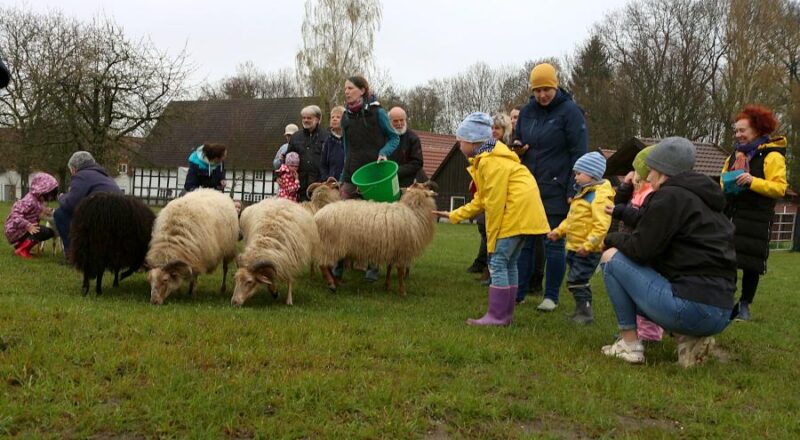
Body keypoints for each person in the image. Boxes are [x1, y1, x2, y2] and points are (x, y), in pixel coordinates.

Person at [601, 137, 737, 367]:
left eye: (651, 170)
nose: (648, 176)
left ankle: (629, 344)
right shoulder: (706, 204)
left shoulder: (669, 197)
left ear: (663, 170)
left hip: (690, 308)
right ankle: (688, 340)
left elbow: (640, 249)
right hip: (721, 312)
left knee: (612, 258)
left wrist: (610, 239)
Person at [434, 112, 550, 326]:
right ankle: (506, 315)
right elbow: (482, 200)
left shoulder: (489, 162)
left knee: (497, 261)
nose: (458, 146)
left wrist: (492, 239)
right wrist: (454, 215)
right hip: (527, 216)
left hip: (514, 215)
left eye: (460, 141)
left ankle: (497, 316)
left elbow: (495, 203)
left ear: (471, 141)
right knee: (510, 263)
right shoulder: (492, 157)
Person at [514, 63, 588, 312]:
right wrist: (518, 147)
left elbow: (579, 153)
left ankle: (551, 296)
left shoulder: (571, 112)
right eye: (537, 90)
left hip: (557, 187)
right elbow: (519, 139)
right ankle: (520, 292)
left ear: (555, 86)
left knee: (553, 242)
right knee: (524, 242)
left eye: (546, 89)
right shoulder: (526, 112)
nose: (542, 95)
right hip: (528, 187)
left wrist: (572, 189)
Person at [722, 105, 787, 322]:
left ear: (757, 130)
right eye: (736, 131)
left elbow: (779, 188)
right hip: (732, 213)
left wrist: (752, 181)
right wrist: (727, 185)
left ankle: (744, 305)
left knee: (751, 263)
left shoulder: (772, 155)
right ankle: (726, 300)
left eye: (743, 130)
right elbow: (723, 178)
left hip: (757, 217)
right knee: (726, 259)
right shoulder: (734, 155)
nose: (738, 135)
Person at [546, 152, 614, 324]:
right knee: (575, 281)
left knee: (578, 280)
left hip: (587, 250)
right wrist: (559, 231)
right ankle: (580, 311)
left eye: (578, 174)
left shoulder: (598, 197)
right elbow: (572, 218)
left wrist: (589, 245)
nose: (575, 177)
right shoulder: (582, 193)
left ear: (591, 174)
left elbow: (601, 225)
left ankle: (585, 314)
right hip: (575, 247)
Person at [607, 146, 663, 341]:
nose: (633, 173)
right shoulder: (637, 190)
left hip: (641, 246)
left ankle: (649, 333)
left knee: (643, 293)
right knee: (632, 290)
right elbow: (619, 202)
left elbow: (640, 218)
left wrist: (621, 211)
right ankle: (639, 330)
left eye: (636, 169)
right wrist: (625, 186)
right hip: (630, 244)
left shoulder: (650, 193)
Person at [467, 113, 513, 280]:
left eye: (498, 128)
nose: (494, 131)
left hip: (500, 198)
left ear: (505, 130)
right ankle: (487, 266)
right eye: (492, 128)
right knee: (485, 229)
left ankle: (492, 271)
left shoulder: (505, 149)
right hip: (485, 194)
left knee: (494, 233)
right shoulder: (487, 147)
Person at [340, 76, 400, 199]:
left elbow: (394, 138)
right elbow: (347, 148)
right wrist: (343, 176)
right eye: (345, 89)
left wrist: (384, 152)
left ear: (362, 90)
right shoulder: (345, 116)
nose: (346, 92)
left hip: (375, 172)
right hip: (351, 174)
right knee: (344, 213)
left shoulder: (377, 112)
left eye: (350, 88)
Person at [54, 151, 122, 254]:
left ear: (74, 168)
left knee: (60, 214)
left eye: (71, 170)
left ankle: (73, 253)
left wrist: (62, 197)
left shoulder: (81, 176)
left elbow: (70, 204)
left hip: (100, 217)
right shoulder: (105, 176)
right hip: (118, 217)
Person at [4, 173, 59, 259]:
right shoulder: (29, 201)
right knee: (43, 231)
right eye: (49, 195)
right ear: (42, 191)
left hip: (19, 229)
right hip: (15, 230)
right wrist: (28, 225)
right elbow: (15, 215)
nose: (50, 198)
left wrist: (45, 210)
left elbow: (37, 209)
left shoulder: (36, 200)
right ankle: (22, 249)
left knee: (45, 231)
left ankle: (21, 246)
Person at [287, 105, 329, 202]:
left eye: (309, 118)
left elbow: (331, 160)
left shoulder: (327, 137)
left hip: (320, 186)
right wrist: (277, 176)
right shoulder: (295, 137)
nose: (305, 120)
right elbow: (287, 159)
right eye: (304, 118)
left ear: (317, 119)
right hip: (299, 187)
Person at [388, 106, 425, 187]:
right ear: (389, 122)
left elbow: (417, 163)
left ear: (405, 120)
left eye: (401, 120)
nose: (399, 123)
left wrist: (396, 171)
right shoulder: (383, 137)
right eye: (395, 121)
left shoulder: (413, 138)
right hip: (386, 180)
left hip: (408, 183)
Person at [320, 107, 345, 182]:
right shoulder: (328, 141)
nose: (334, 119)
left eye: (338, 117)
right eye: (332, 117)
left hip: (348, 182)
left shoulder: (350, 138)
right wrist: (326, 178)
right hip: (332, 183)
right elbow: (323, 164)